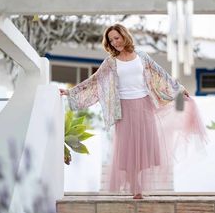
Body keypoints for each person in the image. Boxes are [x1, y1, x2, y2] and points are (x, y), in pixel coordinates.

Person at [60, 23, 207, 199]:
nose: (114, 42)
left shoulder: (142, 57)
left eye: (117, 38)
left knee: (145, 147)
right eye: (111, 40)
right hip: (123, 108)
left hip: (145, 105)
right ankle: (135, 186)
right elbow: (94, 81)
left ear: (124, 36)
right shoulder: (110, 62)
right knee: (127, 149)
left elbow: (161, 74)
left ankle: (136, 183)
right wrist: (70, 92)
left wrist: (179, 89)